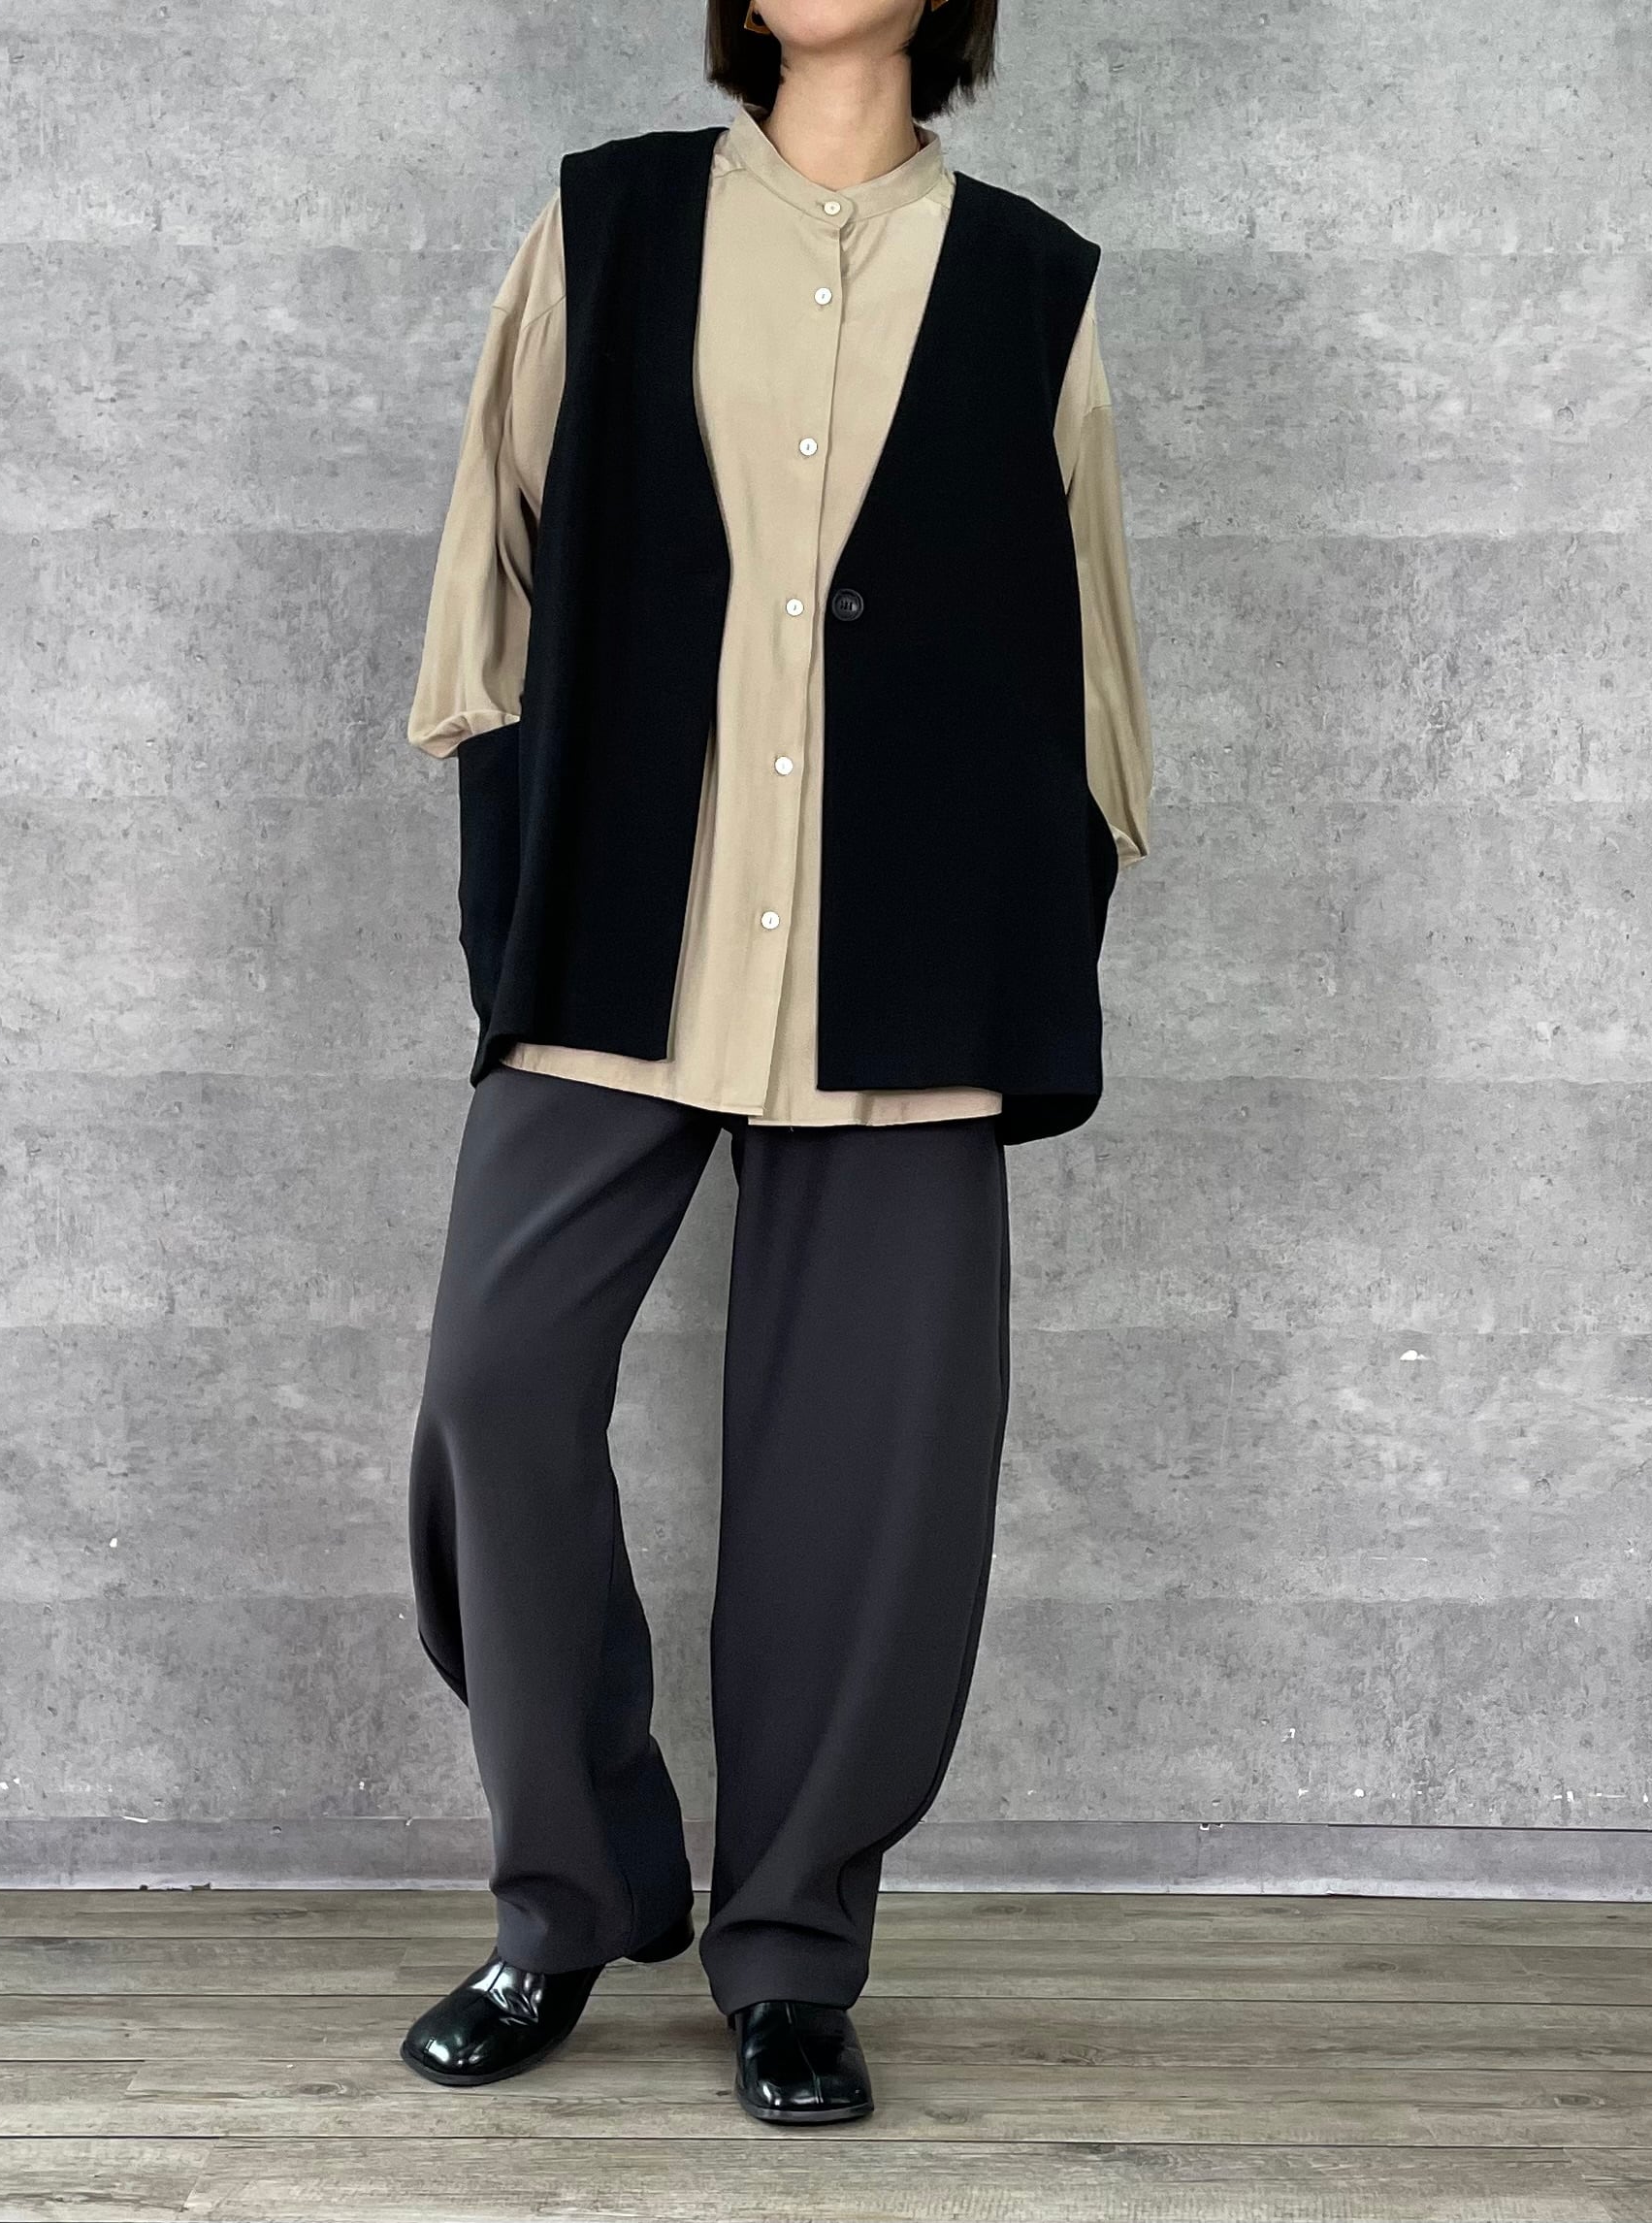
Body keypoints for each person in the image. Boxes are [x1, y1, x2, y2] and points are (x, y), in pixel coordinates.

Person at [395, 0, 1151, 2127]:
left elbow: (1089, 658)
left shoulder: (1030, 284)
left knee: (870, 1482)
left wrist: (1038, 928)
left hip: (909, 960)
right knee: (495, 1386)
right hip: (618, 920)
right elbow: (487, 582)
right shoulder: (607, 224)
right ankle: (573, 1894)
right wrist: (513, 872)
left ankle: (797, 1954)